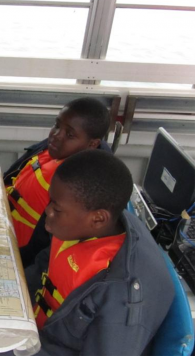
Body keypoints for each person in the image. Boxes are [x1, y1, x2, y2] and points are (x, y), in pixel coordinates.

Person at [25, 150, 174, 355]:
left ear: (98, 219)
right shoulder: (84, 223)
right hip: (33, 328)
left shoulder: (119, 302)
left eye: (57, 209)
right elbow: (44, 264)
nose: (48, 210)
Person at [3, 97, 111, 252]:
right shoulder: (50, 147)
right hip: (2, 220)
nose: (56, 135)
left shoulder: (79, 186)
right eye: (57, 125)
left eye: (70, 135)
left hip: (19, 251)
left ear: (92, 144)